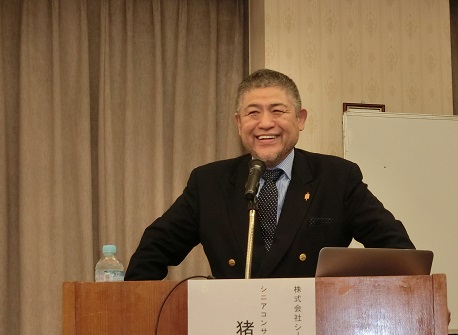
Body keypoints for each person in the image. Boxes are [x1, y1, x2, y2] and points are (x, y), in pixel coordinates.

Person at [125, 69, 415, 280]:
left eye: (277, 111)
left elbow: (399, 254)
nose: (265, 123)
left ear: (300, 119)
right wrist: (141, 309)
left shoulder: (337, 178)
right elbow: (153, 251)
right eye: (253, 113)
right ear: (239, 124)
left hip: (311, 330)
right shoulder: (209, 183)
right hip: (238, 332)